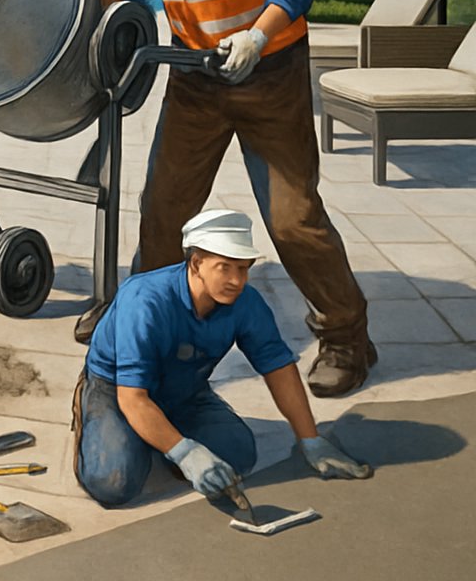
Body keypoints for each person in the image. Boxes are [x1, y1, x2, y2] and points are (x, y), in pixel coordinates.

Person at [78, 0, 373, 398]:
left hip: (270, 73)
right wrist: (87, 22)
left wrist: (259, 35)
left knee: (293, 220)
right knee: (163, 210)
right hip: (195, 78)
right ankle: (140, 324)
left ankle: (347, 338)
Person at [74, 209, 372, 508]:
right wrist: (185, 453)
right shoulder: (144, 301)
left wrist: (310, 440)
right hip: (115, 389)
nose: (236, 280)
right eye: (225, 268)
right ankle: (109, 422)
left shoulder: (246, 303)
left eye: (243, 268)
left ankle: (157, 433)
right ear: (196, 263)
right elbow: (133, 398)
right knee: (113, 482)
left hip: (184, 390)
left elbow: (278, 368)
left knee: (239, 455)